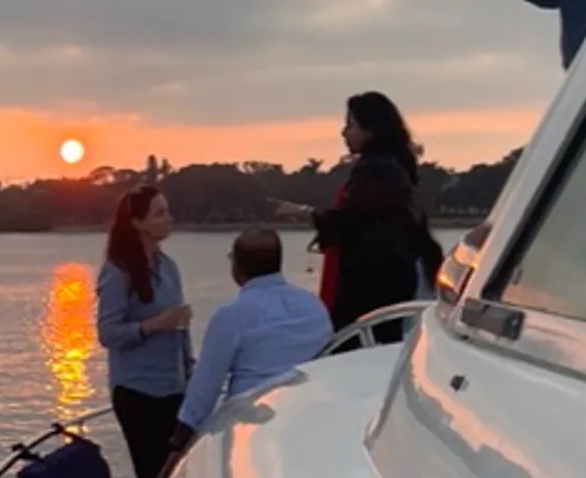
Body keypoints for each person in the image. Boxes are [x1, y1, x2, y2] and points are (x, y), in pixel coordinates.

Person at [95, 184, 191, 478]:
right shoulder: (118, 273)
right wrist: (154, 325)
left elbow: (180, 325)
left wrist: (190, 368)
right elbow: (107, 333)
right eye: (159, 213)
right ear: (136, 222)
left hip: (173, 386)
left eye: (167, 211)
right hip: (136, 391)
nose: (168, 218)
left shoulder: (168, 267)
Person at [169, 229, 331, 453]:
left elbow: (204, 391)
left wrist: (178, 444)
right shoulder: (313, 306)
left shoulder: (232, 316)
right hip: (306, 416)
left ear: (237, 266)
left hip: (252, 429)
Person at [308, 93, 440, 337]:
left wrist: (303, 214)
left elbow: (348, 219)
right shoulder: (393, 168)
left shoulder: (378, 171)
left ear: (371, 130)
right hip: (391, 278)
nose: (344, 133)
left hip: (371, 284)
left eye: (350, 125)